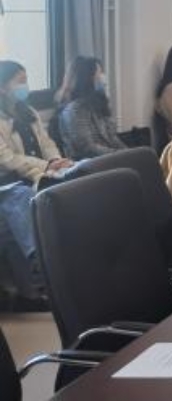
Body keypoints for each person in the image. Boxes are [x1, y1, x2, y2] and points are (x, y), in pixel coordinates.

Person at [0, 61, 74, 306]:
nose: (25, 86)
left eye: (26, 79)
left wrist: (55, 161)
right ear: (2, 86)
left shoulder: (28, 112)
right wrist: (45, 167)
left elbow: (47, 143)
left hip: (37, 174)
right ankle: (39, 261)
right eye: (20, 81)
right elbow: (7, 159)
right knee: (20, 196)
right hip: (7, 183)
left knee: (79, 175)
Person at [55, 56, 126, 159]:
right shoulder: (74, 110)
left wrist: (128, 153)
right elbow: (88, 148)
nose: (103, 78)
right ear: (87, 79)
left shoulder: (97, 104)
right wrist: (119, 155)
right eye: (99, 73)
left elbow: (112, 137)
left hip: (109, 158)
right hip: (90, 162)